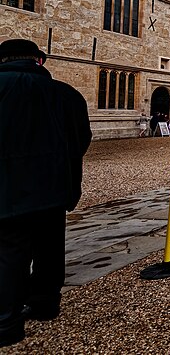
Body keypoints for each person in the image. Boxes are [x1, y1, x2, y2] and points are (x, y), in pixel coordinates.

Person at [0, 39, 92, 347]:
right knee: (50, 248)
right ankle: (45, 303)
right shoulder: (67, 94)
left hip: (7, 189)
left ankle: (6, 324)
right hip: (54, 187)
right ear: (39, 61)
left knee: (9, 252)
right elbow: (82, 140)